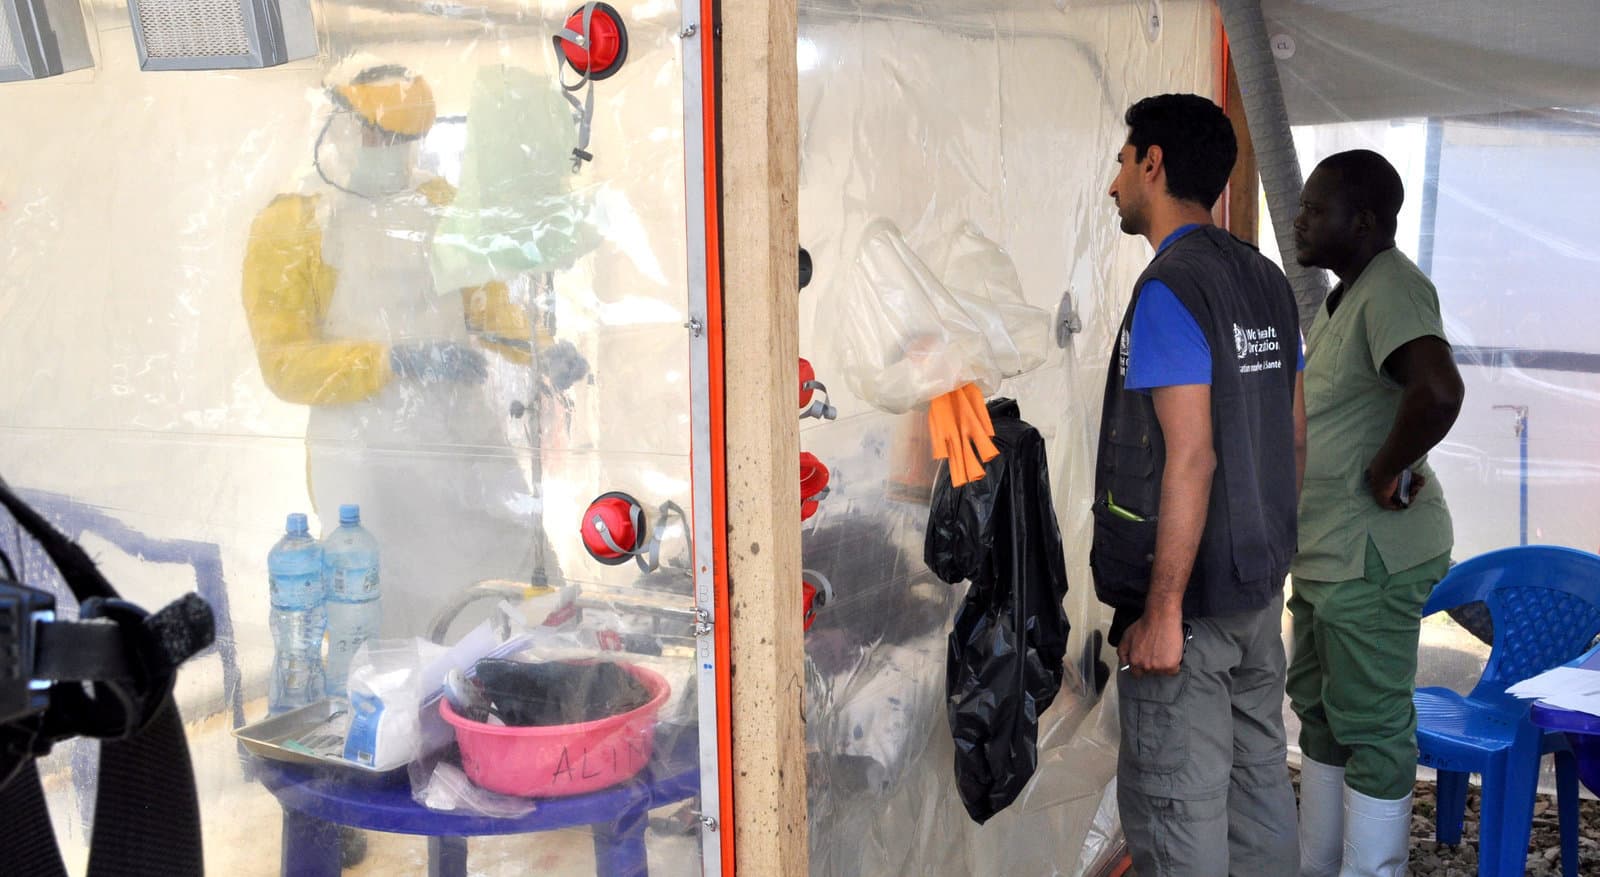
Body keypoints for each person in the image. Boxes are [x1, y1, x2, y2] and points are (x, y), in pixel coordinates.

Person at [241, 64, 558, 639]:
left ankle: (520, 716)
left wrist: (540, 349)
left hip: (460, 442)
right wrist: (395, 361)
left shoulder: (439, 204)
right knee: (394, 627)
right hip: (368, 465)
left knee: (508, 597)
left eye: (405, 140)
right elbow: (283, 364)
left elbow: (490, 308)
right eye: (379, 135)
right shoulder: (293, 224)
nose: (392, 151)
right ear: (337, 127)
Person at [1092, 93, 1306, 877]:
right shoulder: (1266, 281)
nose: (1115, 184)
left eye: (1122, 163)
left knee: (1179, 812)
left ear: (1153, 163)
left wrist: (1164, 611)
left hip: (1193, 616)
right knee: (1258, 798)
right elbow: (1293, 435)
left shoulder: (1171, 289)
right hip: (1254, 593)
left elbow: (1191, 456)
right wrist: (1269, 556)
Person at [1288, 149, 1463, 877]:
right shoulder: (1345, 294)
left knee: (1372, 725)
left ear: (1363, 223)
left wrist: (1388, 466)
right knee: (1324, 716)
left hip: (1372, 556)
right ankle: (1320, 865)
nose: (1300, 221)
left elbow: (1438, 390)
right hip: (1329, 553)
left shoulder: (1393, 287)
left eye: (1314, 210)